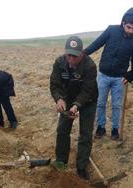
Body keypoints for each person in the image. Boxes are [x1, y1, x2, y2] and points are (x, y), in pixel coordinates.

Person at [83, 7, 133, 140]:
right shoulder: (111, 30)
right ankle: (101, 127)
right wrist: (83, 54)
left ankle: (115, 129)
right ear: (123, 23)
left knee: (116, 105)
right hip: (103, 75)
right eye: (129, 27)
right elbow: (96, 44)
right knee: (100, 102)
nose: (131, 31)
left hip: (120, 79)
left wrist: (131, 75)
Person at [50, 36, 98, 180]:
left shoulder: (90, 66)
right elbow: (54, 84)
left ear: (82, 54)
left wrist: (77, 105)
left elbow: (87, 90)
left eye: (74, 56)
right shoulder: (59, 63)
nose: (70, 59)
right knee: (62, 130)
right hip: (67, 98)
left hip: (88, 100)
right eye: (68, 55)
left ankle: (81, 167)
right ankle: (61, 161)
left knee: (85, 134)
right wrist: (59, 99)